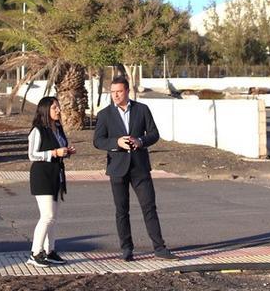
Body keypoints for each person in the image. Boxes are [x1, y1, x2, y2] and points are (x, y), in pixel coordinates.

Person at [93, 75, 177, 261]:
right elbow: (97, 141)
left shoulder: (142, 110)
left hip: (140, 167)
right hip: (117, 168)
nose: (115, 95)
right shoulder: (105, 115)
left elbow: (154, 134)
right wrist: (116, 143)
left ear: (127, 91)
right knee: (121, 210)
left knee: (149, 207)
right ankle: (127, 249)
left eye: (119, 92)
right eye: (113, 92)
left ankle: (159, 248)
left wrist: (140, 141)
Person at [27, 96, 75, 267]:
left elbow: (60, 149)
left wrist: (67, 152)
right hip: (42, 175)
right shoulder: (38, 130)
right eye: (55, 107)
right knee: (47, 215)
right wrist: (54, 153)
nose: (58, 110)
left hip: (57, 174)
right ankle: (35, 253)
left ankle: (50, 251)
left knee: (53, 217)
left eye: (58, 107)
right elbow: (32, 154)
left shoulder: (58, 128)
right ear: (46, 110)